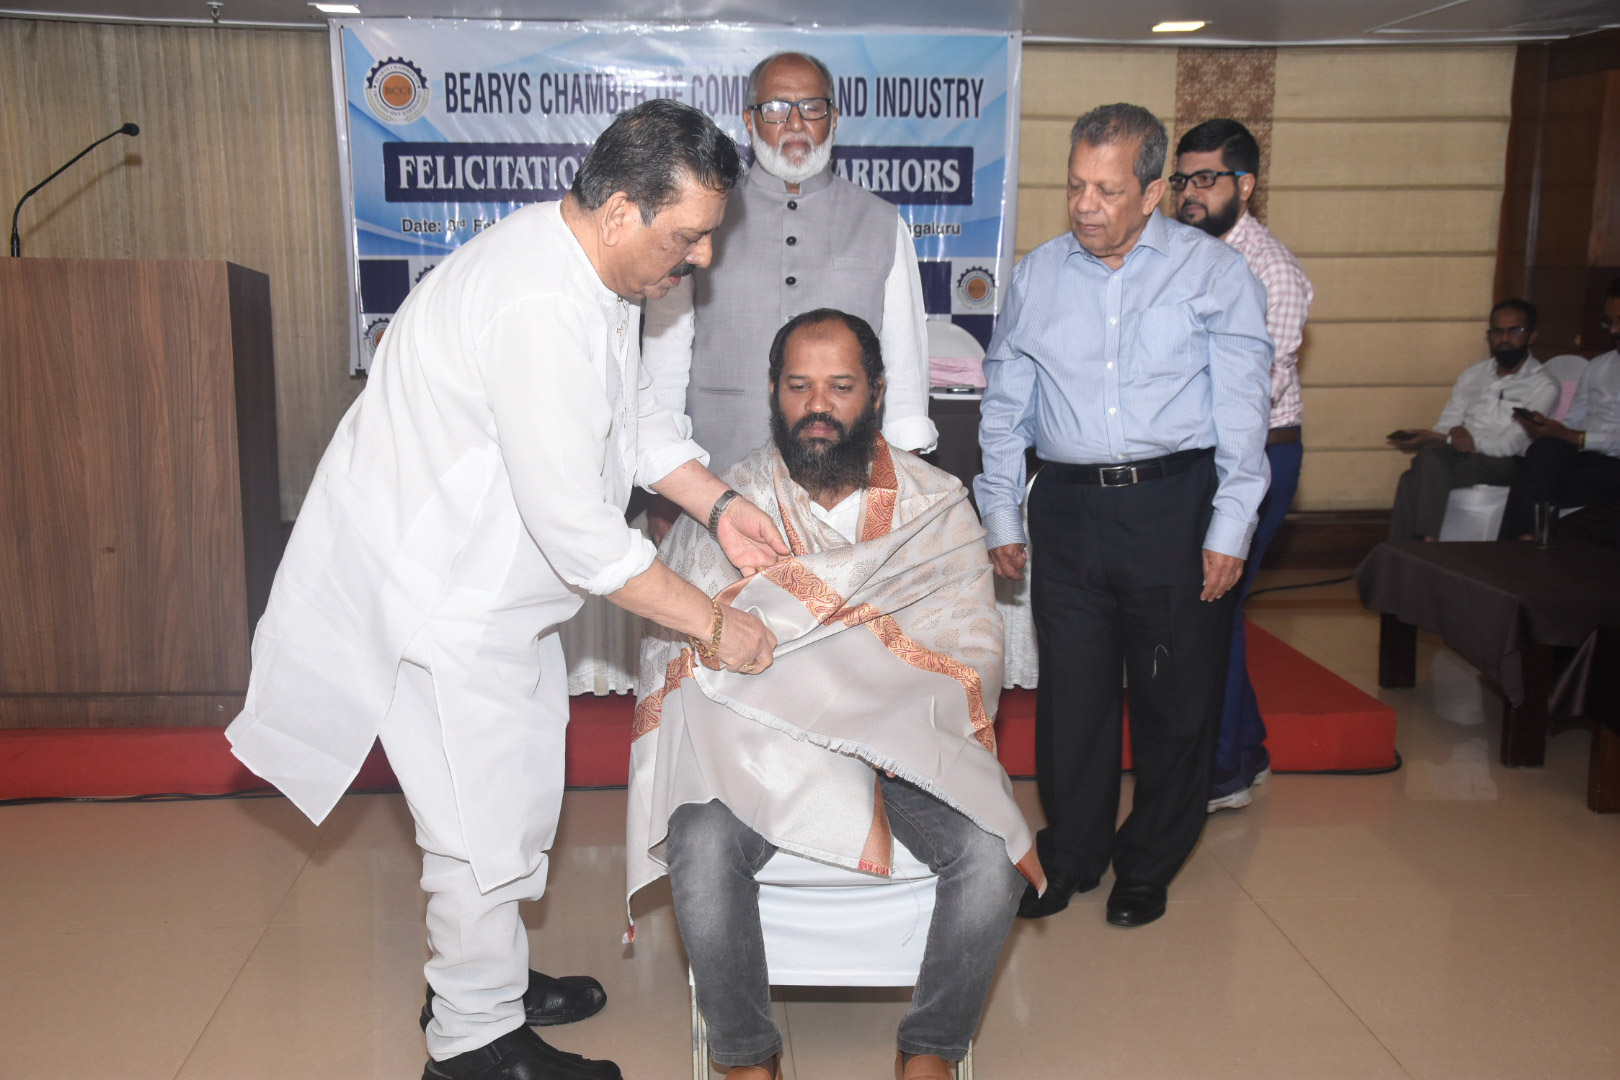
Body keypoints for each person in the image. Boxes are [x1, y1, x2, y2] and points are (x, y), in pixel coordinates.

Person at [225, 100, 791, 1080]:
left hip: (501, 600)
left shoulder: (596, 271)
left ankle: (483, 979)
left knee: (517, 799)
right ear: (621, 210)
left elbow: (633, 420)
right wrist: (713, 625)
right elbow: (580, 535)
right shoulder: (537, 304)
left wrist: (720, 505)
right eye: (688, 236)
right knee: (477, 828)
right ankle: (470, 1042)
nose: (700, 258)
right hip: (441, 606)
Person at [627, 309, 1038, 1080]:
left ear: (876, 393)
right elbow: (676, 651)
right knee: (700, 842)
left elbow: (976, 650)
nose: (817, 406)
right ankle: (747, 1059)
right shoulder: (729, 503)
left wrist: (871, 705)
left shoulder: (935, 505)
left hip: (905, 750)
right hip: (763, 750)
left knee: (993, 856)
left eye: (841, 387)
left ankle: (930, 1050)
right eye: (798, 386)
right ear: (772, 393)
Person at [975, 102, 1273, 928]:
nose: (1085, 206)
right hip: (1068, 509)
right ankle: (1072, 853)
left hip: (1174, 504)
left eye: (1107, 190)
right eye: (1076, 185)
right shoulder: (1039, 275)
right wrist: (1001, 512)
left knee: (1175, 696)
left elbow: (1243, 413)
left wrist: (1230, 526)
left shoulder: (1214, 275)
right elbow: (1006, 403)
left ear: (1151, 192)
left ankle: (1150, 861)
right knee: (1072, 696)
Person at [641, 50, 937, 536]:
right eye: (776, 108)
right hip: (715, 480)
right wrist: (666, 484)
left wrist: (904, 492)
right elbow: (665, 359)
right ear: (749, 121)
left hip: (845, 493)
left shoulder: (882, 222)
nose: (795, 123)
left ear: (834, 119)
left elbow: (903, 368)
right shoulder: (703, 215)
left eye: (812, 107)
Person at [1173, 118, 1314, 813]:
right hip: (1198, 455)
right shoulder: (1180, 253)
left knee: (1213, 609)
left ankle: (1222, 772)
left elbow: (1249, 393)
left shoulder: (1271, 271)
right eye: (1181, 179)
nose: (1189, 194)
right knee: (1212, 610)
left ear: (1245, 184)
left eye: (1206, 179)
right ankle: (1248, 747)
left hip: (1257, 458)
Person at [1387, 299, 1560, 541]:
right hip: (1454, 454)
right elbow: (1445, 423)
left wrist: (1453, 436)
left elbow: (1507, 445)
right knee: (1430, 457)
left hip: (1502, 463)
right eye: (1497, 331)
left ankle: (1416, 548)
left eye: (1514, 331)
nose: (1504, 339)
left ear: (1532, 336)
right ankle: (1423, 544)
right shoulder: (1474, 374)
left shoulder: (1543, 385)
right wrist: (1454, 432)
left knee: (1413, 478)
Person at [1500, 279, 1620, 541]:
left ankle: (1521, 544)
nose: (1614, 330)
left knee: (1535, 486)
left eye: (1619, 321)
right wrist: (1550, 430)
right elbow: (1575, 420)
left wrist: (1573, 437)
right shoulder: (1600, 365)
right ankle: (1521, 543)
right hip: (1590, 457)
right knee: (1545, 451)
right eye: (1609, 322)